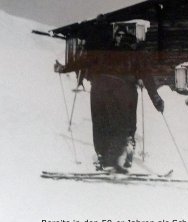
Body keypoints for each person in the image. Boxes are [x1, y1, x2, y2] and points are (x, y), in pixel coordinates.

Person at [54, 15, 164, 173]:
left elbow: (85, 61)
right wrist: (156, 99)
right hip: (122, 90)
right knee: (123, 125)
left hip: (99, 87)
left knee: (101, 124)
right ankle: (118, 154)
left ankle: (102, 157)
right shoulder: (136, 52)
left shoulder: (105, 48)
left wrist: (64, 68)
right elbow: (146, 75)